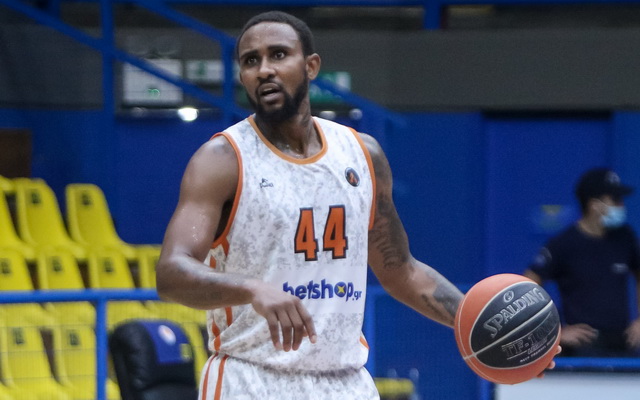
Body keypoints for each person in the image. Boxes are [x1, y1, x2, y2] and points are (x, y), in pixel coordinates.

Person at [157, 11, 556, 399]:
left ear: (311, 66)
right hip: (251, 379)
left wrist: (490, 326)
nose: (264, 70)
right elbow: (172, 273)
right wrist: (252, 289)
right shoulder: (222, 160)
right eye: (250, 61)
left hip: (345, 382)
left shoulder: (362, 154)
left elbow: (401, 271)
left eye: (278, 55)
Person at [525, 167, 640, 357]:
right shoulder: (563, 244)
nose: (621, 206)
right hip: (583, 347)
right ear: (594, 204)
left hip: (623, 342)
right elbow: (527, 286)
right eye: (615, 200)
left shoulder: (625, 237)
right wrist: (555, 331)